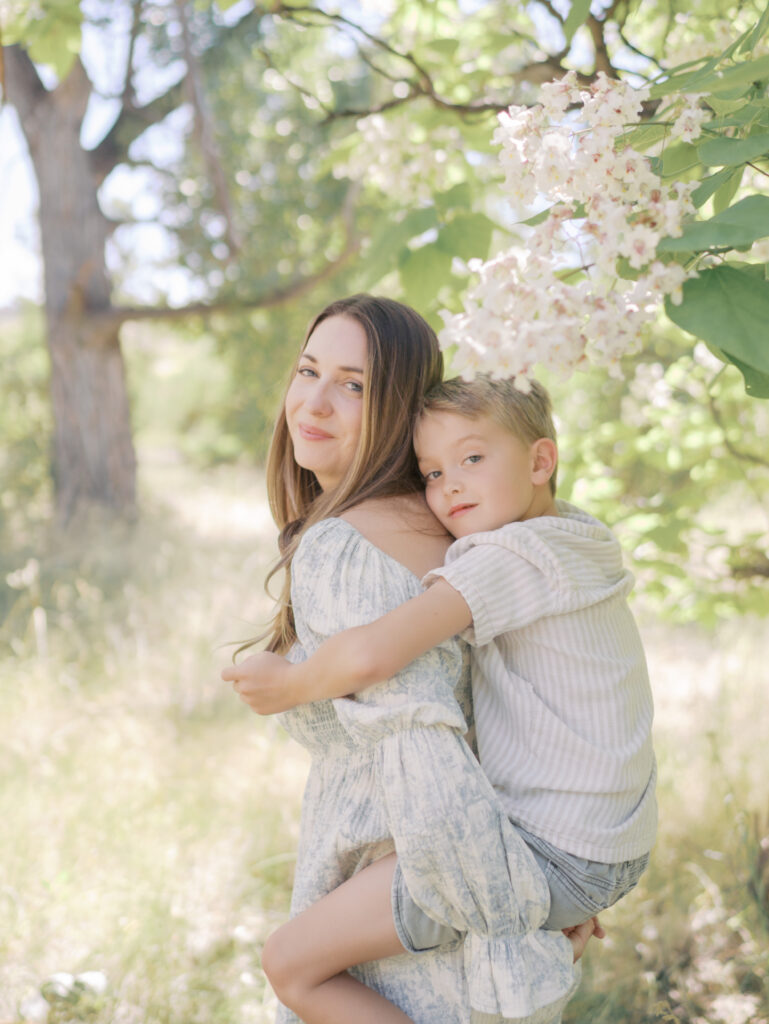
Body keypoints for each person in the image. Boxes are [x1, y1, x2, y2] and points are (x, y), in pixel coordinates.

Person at [230, 372, 657, 1022]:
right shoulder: (578, 537)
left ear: (541, 461)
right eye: (429, 472)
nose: (449, 483)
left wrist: (292, 682)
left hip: (551, 855)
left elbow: (379, 651)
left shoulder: (517, 559)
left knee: (291, 965)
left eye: (472, 458)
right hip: (603, 844)